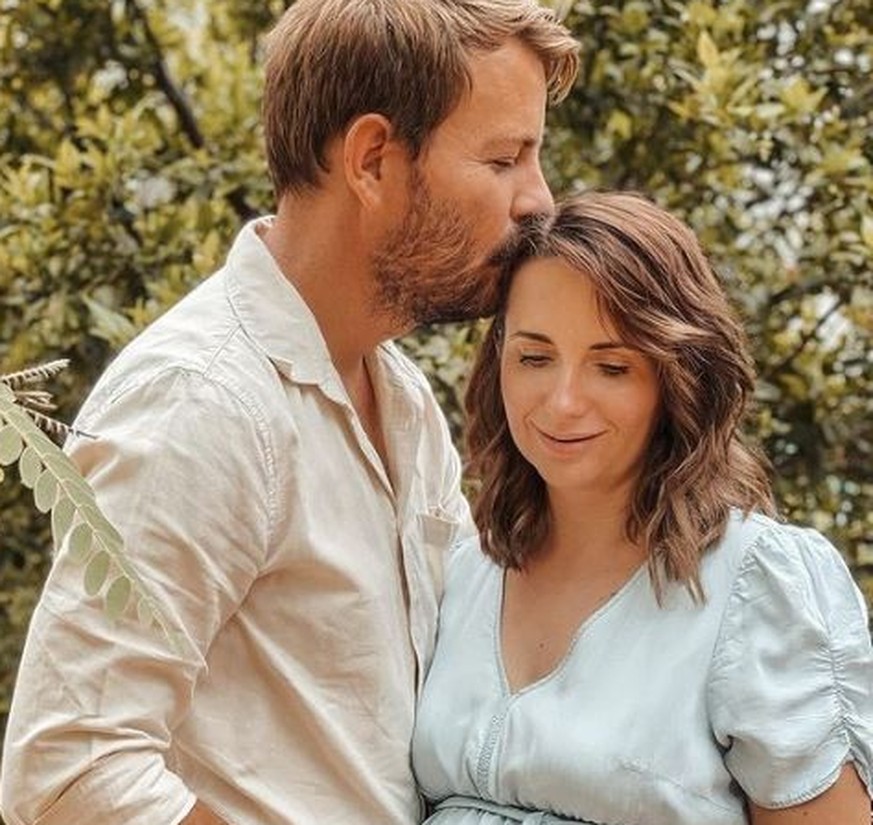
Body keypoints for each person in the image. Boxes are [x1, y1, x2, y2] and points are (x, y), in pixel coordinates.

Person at [0, 3, 579, 824]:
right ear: (373, 159)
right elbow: (69, 769)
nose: (536, 199)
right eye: (503, 158)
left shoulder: (403, 399)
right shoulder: (201, 401)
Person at [412, 191, 873, 824]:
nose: (564, 400)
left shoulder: (755, 583)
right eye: (535, 357)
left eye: (612, 366)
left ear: (676, 377)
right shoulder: (465, 570)